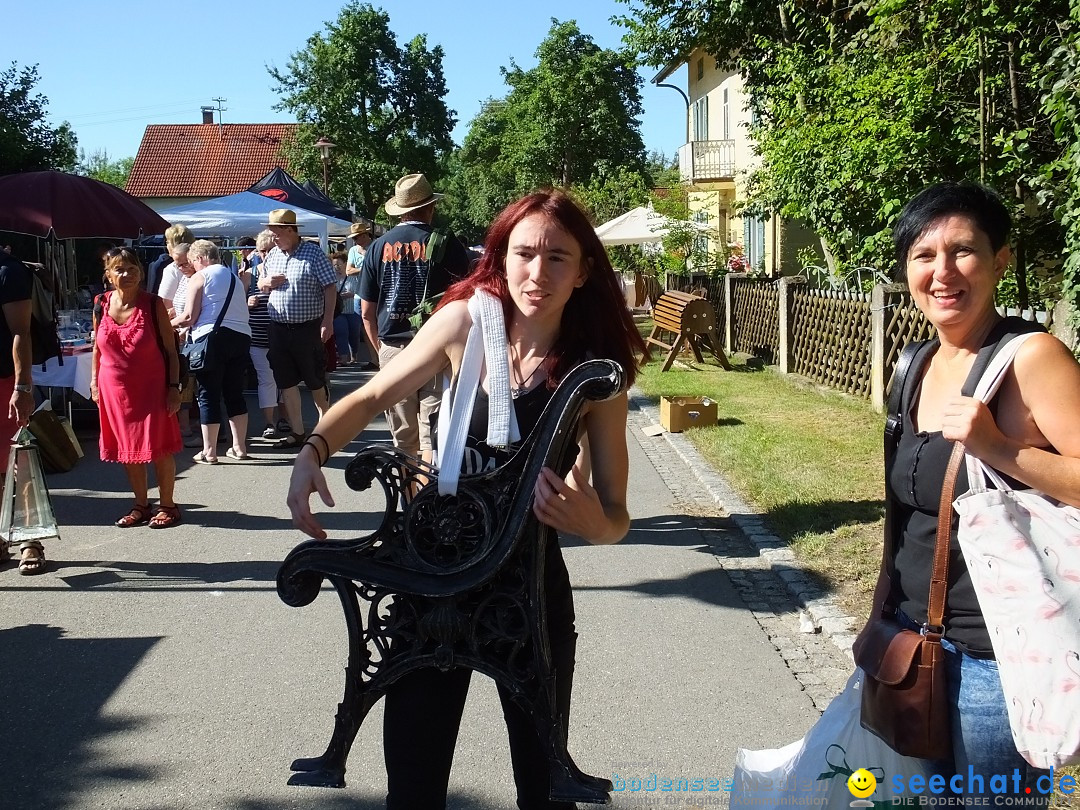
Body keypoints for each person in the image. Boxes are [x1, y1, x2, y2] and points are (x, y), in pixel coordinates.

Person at [288, 189, 649, 809]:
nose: (538, 273)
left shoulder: (596, 371)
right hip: (433, 573)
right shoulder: (465, 321)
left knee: (543, 785)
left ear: (584, 270)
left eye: (558, 257)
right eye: (525, 253)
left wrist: (593, 520)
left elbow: (617, 515)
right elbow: (374, 397)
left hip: (528, 587)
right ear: (500, 257)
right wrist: (312, 451)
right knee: (413, 780)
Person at [875, 181, 1080, 800]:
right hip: (916, 642)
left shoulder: (1031, 357)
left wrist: (999, 449)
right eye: (923, 255)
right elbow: (907, 515)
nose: (942, 272)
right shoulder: (913, 365)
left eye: (963, 251)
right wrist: (882, 615)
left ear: (1000, 261)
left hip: (1001, 660)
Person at [359, 172, 470, 462]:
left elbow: (367, 311)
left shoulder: (376, 247)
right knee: (432, 435)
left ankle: (407, 500)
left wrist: (380, 350)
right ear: (430, 207)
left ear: (400, 211)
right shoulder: (449, 245)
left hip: (393, 349)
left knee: (402, 438)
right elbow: (468, 300)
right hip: (436, 347)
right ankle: (428, 502)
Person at [91, 248, 183, 529]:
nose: (127, 274)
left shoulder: (152, 305)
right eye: (119, 269)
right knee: (128, 448)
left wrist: (173, 387)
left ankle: (167, 505)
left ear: (141, 273)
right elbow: (97, 347)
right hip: (114, 390)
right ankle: (140, 504)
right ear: (108, 275)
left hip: (153, 388)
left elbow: (170, 351)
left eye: (132, 269)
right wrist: (94, 382)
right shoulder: (100, 303)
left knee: (160, 448)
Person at [258, 208, 338, 449]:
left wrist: (328, 321)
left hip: (308, 328)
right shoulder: (273, 255)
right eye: (272, 234)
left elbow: (330, 287)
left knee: (314, 379)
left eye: (276, 233)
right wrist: (266, 283)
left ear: (290, 230)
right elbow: (261, 284)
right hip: (279, 328)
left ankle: (326, 427)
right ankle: (298, 431)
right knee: (286, 381)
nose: (273, 238)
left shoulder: (313, 253)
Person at [174, 240, 252, 463]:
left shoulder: (201, 276)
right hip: (241, 337)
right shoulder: (234, 278)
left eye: (192, 262)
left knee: (208, 394)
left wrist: (168, 324)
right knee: (234, 393)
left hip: (213, 339)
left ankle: (209, 451)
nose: (192, 267)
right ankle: (239, 447)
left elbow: (190, 316)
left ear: (199, 258)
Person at [0, 250, 44, 573]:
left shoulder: (9, 271)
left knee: (20, 463)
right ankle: (0, 539)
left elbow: (21, 332)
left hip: (5, 381)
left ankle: (31, 541)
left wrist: (22, 386)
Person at [247, 230, 280, 439]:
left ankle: (286, 420)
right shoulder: (249, 275)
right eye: (261, 251)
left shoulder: (284, 272)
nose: (265, 255)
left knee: (286, 380)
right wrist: (247, 303)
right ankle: (270, 422)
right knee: (266, 379)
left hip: (282, 334)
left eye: (269, 250)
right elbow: (235, 307)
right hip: (258, 337)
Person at [147, 224, 195, 295]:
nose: (166, 245)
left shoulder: (172, 269)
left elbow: (163, 299)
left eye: (167, 242)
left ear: (174, 244)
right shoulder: (200, 265)